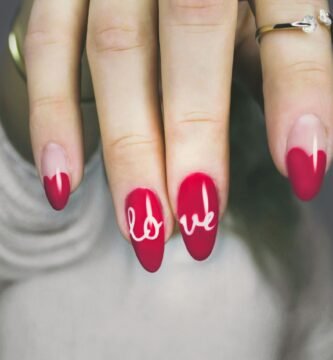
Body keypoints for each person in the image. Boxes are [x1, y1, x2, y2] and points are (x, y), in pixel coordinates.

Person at [0, 0, 333, 359]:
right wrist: (49, 52)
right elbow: (20, 193)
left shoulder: (282, 229)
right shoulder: (39, 222)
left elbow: (319, 334)